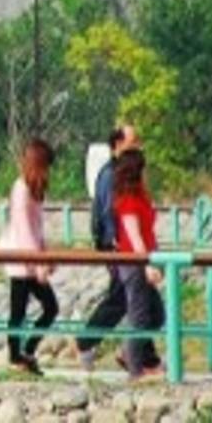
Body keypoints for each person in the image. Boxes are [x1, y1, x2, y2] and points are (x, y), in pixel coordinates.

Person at [76, 126, 160, 372]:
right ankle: (93, 343)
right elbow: (109, 213)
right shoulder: (111, 175)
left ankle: (140, 355)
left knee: (136, 301)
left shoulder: (125, 175)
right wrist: (115, 246)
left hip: (125, 249)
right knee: (126, 300)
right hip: (119, 249)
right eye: (133, 143)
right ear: (117, 145)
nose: (138, 148)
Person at [0, 139, 60, 375]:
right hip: (19, 258)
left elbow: (37, 229)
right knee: (19, 311)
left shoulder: (34, 188)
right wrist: (39, 262)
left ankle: (26, 351)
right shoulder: (21, 188)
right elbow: (24, 230)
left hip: (30, 257)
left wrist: (45, 255)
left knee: (49, 308)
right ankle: (17, 357)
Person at [112, 149, 165, 381]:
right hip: (134, 264)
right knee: (140, 316)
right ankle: (135, 370)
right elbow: (135, 238)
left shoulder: (141, 195)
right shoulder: (128, 201)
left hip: (145, 259)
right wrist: (146, 265)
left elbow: (147, 231)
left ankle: (128, 352)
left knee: (157, 314)